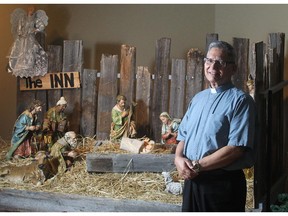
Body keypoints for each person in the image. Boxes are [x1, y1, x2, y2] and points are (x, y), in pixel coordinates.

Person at [174, 41, 256, 212]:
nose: (212, 66)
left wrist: (198, 166)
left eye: (220, 62)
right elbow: (183, 135)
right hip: (193, 181)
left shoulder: (241, 101)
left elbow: (236, 149)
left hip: (222, 185)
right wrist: (178, 159)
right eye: (209, 61)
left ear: (233, 69)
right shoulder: (198, 99)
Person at [7, 6, 48, 78]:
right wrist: (21, 33)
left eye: (32, 10)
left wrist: (35, 30)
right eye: (30, 9)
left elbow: (41, 26)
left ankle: (29, 64)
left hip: (30, 36)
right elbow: (19, 28)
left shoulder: (35, 19)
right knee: (22, 49)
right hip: (24, 36)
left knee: (30, 49)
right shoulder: (23, 18)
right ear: (28, 9)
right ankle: (22, 64)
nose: (31, 11)